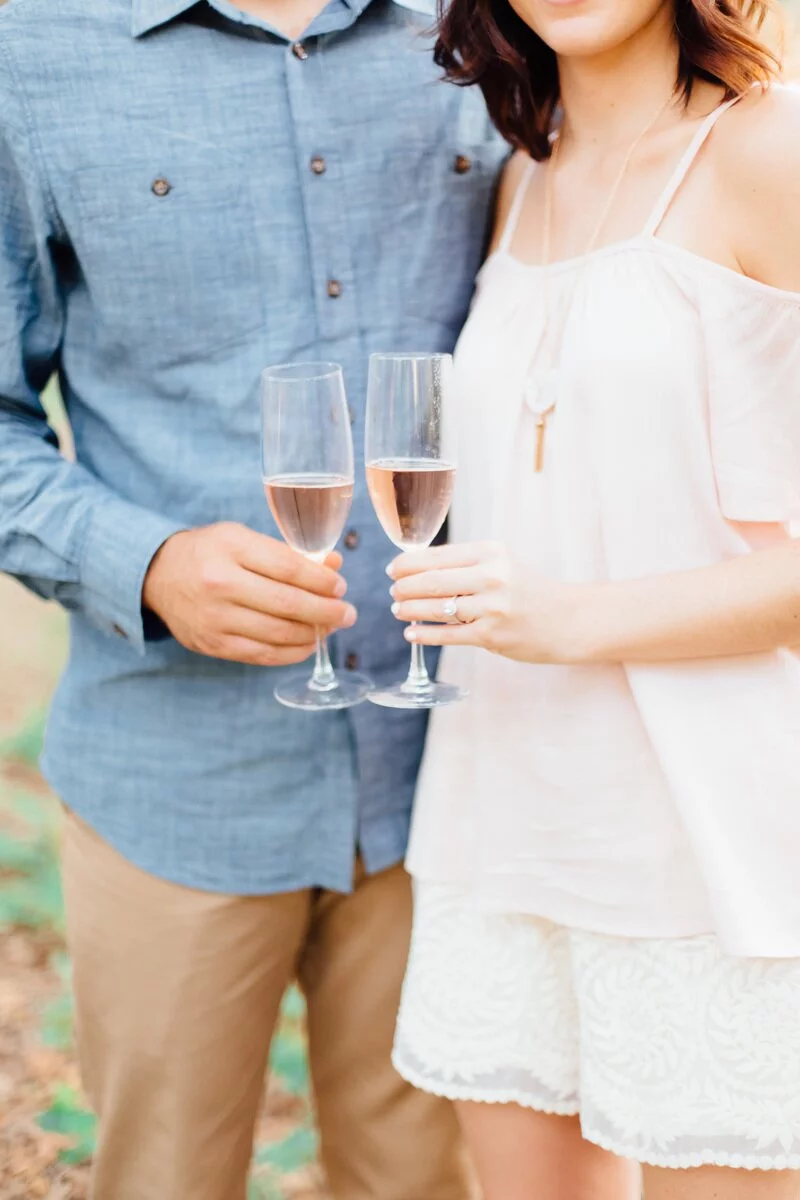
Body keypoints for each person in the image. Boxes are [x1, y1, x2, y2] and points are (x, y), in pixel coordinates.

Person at [0, 0, 508, 1193]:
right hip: (176, 779)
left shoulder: (488, 24)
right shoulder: (27, 51)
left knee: (420, 1178)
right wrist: (146, 562)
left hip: (452, 769)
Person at [387, 1, 800, 1198]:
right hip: (503, 813)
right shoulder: (522, 173)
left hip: (705, 837)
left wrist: (573, 620)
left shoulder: (765, 154)